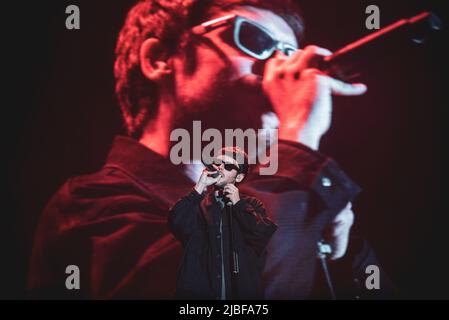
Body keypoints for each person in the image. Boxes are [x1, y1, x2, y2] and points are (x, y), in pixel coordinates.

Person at [29, 0, 394, 299]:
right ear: (159, 59)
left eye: (288, 54)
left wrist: (333, 257)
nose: (278, 69)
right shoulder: (92, 207)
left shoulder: (271, 202)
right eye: (253, 39)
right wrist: (297, 145)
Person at [168, 147, 277, 299]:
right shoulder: (198, 205)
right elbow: (175, 222)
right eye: (218, 163)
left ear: (238, 177)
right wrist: (199, 187)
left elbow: (261, 234)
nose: (220, 167)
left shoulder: (251, 205)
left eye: (228, 166)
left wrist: (238, 205)